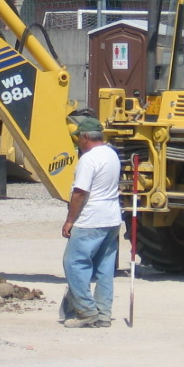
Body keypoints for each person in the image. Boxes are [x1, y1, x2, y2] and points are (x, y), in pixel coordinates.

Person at [60, 115, 121, 329]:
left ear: (85, 136)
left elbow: (80, 193)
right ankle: (104, 314)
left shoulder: (89, 159)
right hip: (112, 218)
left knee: (74, 263)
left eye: (78, 138)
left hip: (91, 219)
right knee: (104, 267)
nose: (77, 142)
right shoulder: (112, 154)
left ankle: (86, 312)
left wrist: (69, 221)